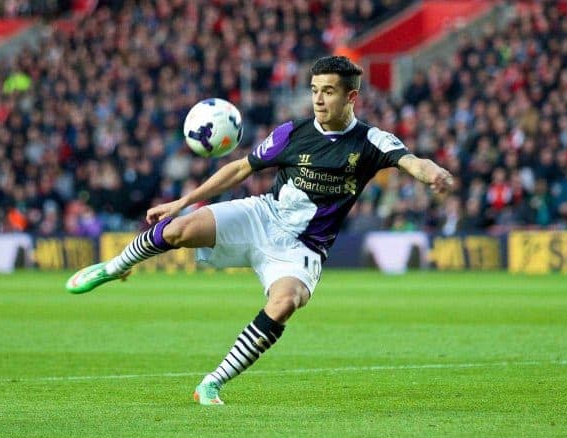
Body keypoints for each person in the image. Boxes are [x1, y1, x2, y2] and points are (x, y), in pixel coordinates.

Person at [65, 56, 454, 405]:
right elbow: (239, 169)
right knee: (177, 230)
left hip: (303, 247)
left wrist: (432, 173)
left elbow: (411, 161)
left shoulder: (370, 140)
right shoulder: (292, 132)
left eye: (329, 92)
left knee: (285, 303)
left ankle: (212, 383)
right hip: (262, 216)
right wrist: (183, 201)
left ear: (351, 97)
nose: (319, 100)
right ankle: (114, 267)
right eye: (315, 90)